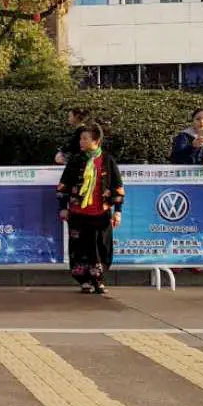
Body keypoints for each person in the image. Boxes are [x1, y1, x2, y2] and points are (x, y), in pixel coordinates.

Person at [58, 122, 124, 295]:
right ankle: (84, 281)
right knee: (78, 246)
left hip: (100, 212)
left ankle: (98, 280)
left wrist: (118, 211)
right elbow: (64, 185)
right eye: (81, 138)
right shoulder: (76, 160)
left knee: (101, 246)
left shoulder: (108, 160)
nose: (81, 141)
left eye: (85, 138)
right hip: (77, 213)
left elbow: (117, 186)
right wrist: (63, 207)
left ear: (96, 140)